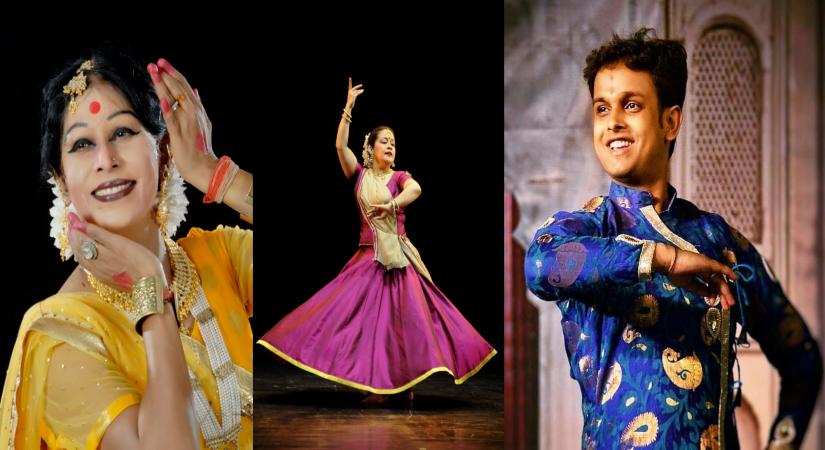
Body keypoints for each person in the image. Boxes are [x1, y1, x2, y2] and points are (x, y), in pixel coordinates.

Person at [524, 28, 822, 449]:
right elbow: (539, 267)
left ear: (670, 120)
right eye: (601, 108)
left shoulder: (717, 240)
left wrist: (783, 443)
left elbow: (802, 358)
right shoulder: (585, 229)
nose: (613, 122)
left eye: (631, 105)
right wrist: (666, 259)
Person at [0, 47, 253, 449]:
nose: (106, 159)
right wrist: (150, 289)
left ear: (164, 150)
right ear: (62, 181)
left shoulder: (221, 258)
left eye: (122, 132)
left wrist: (214, 173)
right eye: (82, 144)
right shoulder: (60, 333)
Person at [258, 78, 495, 401]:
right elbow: (340, 147)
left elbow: (416, 190)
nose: (390, 146)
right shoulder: (360, 175)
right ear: (369, 149)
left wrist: (393, 204)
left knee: (406, 326)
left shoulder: (399, 178)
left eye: (393, 142)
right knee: (361, 325)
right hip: (367, 259)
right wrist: (348, 108)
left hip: (397, 260)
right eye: (383, 141)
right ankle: (382, 387)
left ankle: (401, 385)